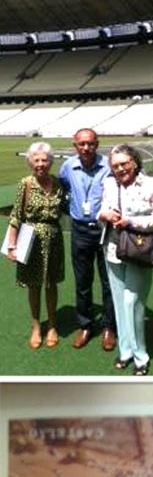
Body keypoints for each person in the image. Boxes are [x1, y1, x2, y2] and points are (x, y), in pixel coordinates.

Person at [98, 144, 153, 376]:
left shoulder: (152, 184)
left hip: (139, 250)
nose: (120, 169)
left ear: (135, 162)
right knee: (118, 303)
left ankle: (141, 356)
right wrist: (105, 215)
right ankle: (125, 351)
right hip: (113, 249)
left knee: (132, 303)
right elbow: (102, 210)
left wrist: (131, 222)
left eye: (124, 163)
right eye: (115, 165)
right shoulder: (108, 183)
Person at [58, 128, 117, 351]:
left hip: (104, 230)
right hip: (80, 231)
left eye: (90, 144)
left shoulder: (108, 166)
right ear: (75, 146)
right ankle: (85, 325)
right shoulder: (67, 167)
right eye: (81, 144)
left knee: (108, 282)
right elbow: (63, 187)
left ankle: (109, 327)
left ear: (97, 144)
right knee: (82, 283)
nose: (86, 148)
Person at [7, 143, 66, 350]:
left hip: (54, 239)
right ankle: (35, 327)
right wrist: (12, 246)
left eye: (44, 160)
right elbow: (16, 215)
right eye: (36, 160)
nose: (41, 164)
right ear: (30, 161)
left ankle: (51, 325)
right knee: (33, 285)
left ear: (50, 161)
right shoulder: (26, 183)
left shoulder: (58, 184)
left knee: (51, 284)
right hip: (30, 238)